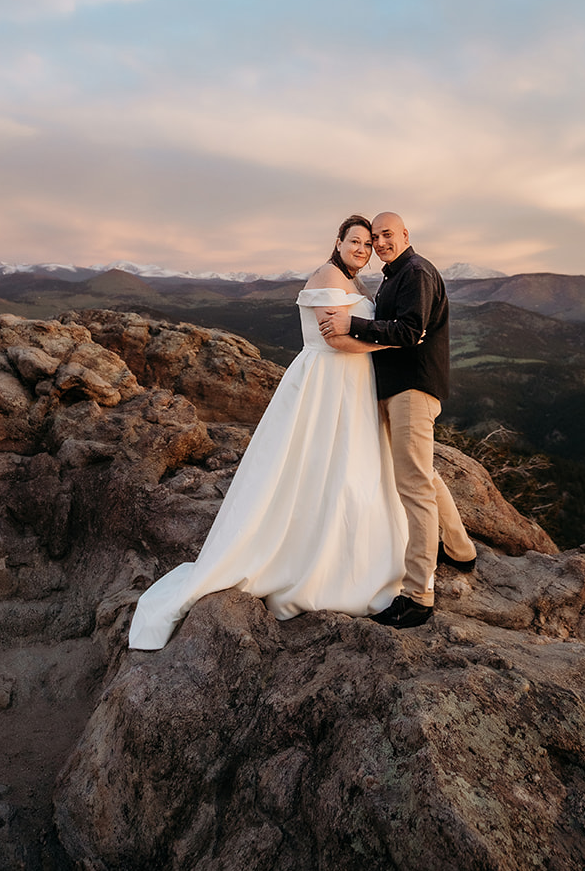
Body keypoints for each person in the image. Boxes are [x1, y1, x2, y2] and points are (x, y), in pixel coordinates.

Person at [127, 216, 408, 650]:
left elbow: (349, 328)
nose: (362, 249)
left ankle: (350, 555)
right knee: (312, 469)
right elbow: (333, 340)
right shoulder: (326, 275)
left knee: (350, 470)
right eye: (355, 241)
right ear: (338, 241)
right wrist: (391, 341)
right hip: (326, 384)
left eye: (368, 244)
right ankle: (311, 562)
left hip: (351, 387)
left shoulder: (351, 281)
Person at [319, 211, 477, 629]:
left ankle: (418, 596)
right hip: (396, 388)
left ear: (405, 235)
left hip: (412, 388)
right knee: (422, 475)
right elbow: (400, 330)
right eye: (375, 238)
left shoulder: (417, 272)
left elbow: (409, 332)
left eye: (387, 235)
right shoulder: (394, 275)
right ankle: (460, 549)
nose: (381, 243)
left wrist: (350, 323)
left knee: (413, 487)